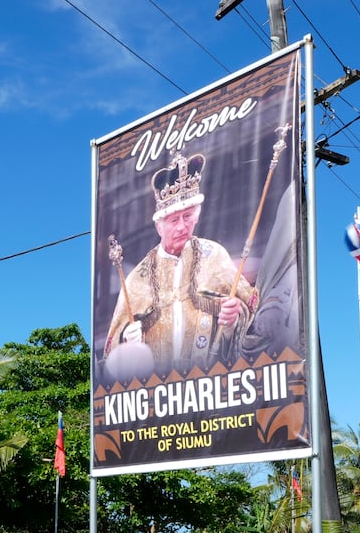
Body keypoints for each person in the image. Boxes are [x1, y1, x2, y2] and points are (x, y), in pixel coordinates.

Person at [103, 151, 257, 379]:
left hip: (210, 381)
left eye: (187, 217)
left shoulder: (214, 255)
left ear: (196, 217)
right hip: (159, 393)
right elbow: (113, 346)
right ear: (159, 227)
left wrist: (234, 318)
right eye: (174, 220)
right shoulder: (138, 277)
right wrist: (127, 337)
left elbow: (249, 306)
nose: (182, 227)